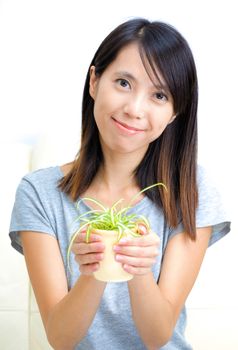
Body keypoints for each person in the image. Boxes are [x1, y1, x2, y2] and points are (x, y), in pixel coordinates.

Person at [9, 18, 231, 350]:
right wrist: (92, 271)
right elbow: (60, 337)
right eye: (124, 83)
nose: (134, 109)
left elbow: (157, 337)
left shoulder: (191, 190)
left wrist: (138, 271)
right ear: (95, 81)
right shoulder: (39, 193)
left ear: (174, 113)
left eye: (159, 94)